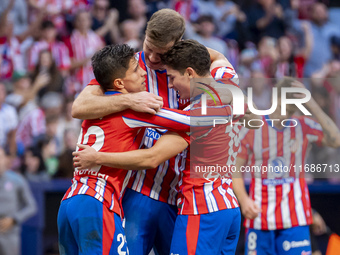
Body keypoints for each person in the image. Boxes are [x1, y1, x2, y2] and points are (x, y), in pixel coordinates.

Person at [71, 8, 236, 255]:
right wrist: (127, 101)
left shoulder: (190, 70)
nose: (153, 57)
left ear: (177, 46)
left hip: (181, 195)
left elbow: (218, 60)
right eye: (149, 46)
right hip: (140, 192)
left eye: (162, 53)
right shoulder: (127, 69)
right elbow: (80, 107)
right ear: (145, 34)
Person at [57, 44, 192, 255]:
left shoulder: (95, 104)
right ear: (119, 82)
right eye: (136, 69)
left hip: (70, 201)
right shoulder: (134, 109)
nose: (142, 72)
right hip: (97, 200)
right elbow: (190, 121)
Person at [232, 77, 340, 255]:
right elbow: (235, 168)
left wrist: (312, 105)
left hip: (295, 219)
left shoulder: (303, 125)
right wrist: (243, 200)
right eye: (284, 103)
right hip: (259, 218)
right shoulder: (252, 127)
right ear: (275, 98)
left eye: (292, 105)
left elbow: (336, 140)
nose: (285, 111)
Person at [0, 147, 37, 255]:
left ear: (6, 159)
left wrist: (14, 219)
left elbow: (32, 206)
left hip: (10, 235)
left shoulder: (17, 180)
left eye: (0, 157)